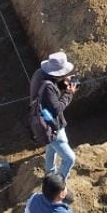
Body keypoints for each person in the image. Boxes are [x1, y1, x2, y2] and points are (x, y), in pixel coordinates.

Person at [29, 52, 79, 181]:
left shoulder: (39, 74)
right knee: (69, 158)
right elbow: (57, 108)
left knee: (51, 147)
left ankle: (50, 173)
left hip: (44, 121)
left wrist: (63, 83)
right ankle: (58, 183)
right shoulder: (47, 87)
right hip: (51, 124)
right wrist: (69, 93)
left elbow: (49, 93)